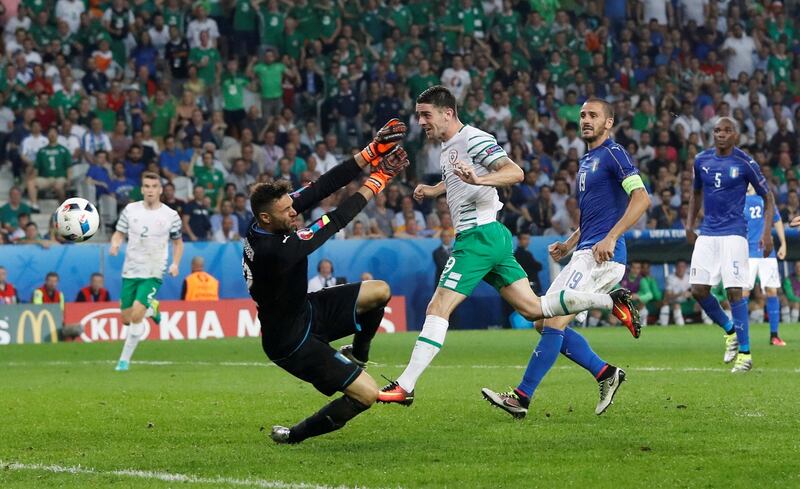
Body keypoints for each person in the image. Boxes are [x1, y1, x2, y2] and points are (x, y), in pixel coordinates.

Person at [379, 88, 640, 412]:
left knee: (439, 306)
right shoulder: (449, 147)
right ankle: (606, 359)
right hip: (500, 239)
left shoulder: (473, 138)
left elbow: (514, 172)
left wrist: (479, 181)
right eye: (419, 115)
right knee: (536, 313)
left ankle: (408, 386)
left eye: (425, 114)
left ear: (448, 113)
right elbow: (462, 180)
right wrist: (435, 189)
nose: (420, 121)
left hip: (479, 237)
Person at [481, 97, 651, 418]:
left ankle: (521, 398)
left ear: (608, 123)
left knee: (555, 321)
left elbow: (642, 199)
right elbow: (594, 216)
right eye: (583, 115)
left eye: (593, 115)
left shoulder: (614, 153)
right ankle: (605, 373)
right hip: (583, 253)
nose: (585, 120)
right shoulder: (587, 161)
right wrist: (570, 243)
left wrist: (612, 237)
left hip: (603, 257)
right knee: (541, 320)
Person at [243, 119, 408, 444]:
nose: (294, 212)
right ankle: (294, 435)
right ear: (266, 218)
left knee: (379, 291)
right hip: (290, 343)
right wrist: (378, 179)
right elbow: (334, 220)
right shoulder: (275, 251)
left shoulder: (266, 221)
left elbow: (321, 187)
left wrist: (371, 152)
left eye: (292, 206)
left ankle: (358, 354)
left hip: (306, 311)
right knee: (367, 394)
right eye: (287, 211)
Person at [686, 117, 775, 373]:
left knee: (735, 291)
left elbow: (768, 197)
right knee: (698, 290)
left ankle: (745, 355)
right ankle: (730, 331)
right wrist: (689, 225)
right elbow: (696, 193)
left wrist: (767, 233)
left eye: (727, 130)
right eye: (717, 130)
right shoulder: (701, 160)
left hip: (735, 234)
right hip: (707, 233)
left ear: (735, 134)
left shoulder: (745, 162)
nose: (721, 134)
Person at [110, 172, 184, 372]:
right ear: (142, 189)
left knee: (136, 315)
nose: (150, 190)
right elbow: (119, 233)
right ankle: (152, 309)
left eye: (154, 186)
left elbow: (178, 243)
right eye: (147, 186)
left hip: (154, 270)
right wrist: (115, 244)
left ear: (160, 190)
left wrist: (175, 264)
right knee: (126, 318)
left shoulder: (171, 215)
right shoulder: (130, 210)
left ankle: (124, 361)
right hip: (131, 269)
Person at [743, 185, 787, 346]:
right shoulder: (738, 199)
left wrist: (783, 243)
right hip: (747, 252)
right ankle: (742, 337)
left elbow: (777, 219)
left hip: (767, 253)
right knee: (744, 293)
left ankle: (774, 336)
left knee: (772, 291)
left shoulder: (766, 198)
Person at [659, 260, 692, 326]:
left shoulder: (689, 278)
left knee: (701, 304)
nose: (681, 269)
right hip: (673, 303)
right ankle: (680, 326)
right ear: (676, 268)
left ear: (685, 268)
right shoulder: (670, 278)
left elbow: (694, 292)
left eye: (683, 267)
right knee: (674, 305)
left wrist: (690, 294)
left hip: (687, 302)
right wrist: (680, 294)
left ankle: (709, 325)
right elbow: (668, 295)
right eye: (679, 267)